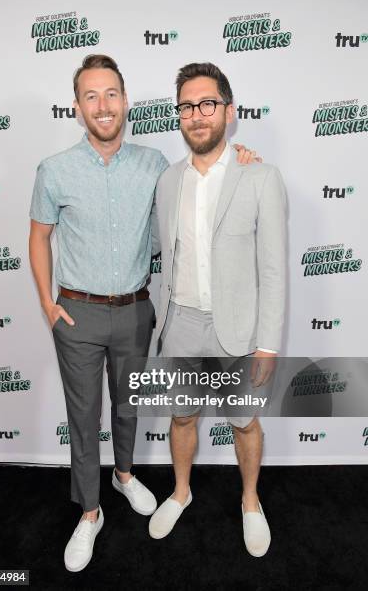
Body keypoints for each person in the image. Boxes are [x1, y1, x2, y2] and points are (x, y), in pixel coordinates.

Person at [29, 54, 259, 572]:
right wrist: (48, 303)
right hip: (77, 315)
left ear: (126, 101)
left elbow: (205, 176)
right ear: (76, 107)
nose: (102, 105)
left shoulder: (156, 164)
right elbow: (38, 236)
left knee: (128, 407)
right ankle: (89, 513)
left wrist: (239, 156)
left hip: (136, 311)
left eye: (111, 93)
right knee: (84, 420)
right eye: (91, 96)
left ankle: (125, 476)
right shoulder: (54, 170)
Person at [149, 62, 287, 558]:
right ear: (179, 116)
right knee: (182, 418)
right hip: (181, 326)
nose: (196, 114)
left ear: (228, 112)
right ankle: (181, 492)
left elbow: (272, 270)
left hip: (240, 331)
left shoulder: (260, 176)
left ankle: (251, 501)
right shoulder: (167, 182)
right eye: (187, 106)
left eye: (207, 103)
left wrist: (267, 343)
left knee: (245, 422)